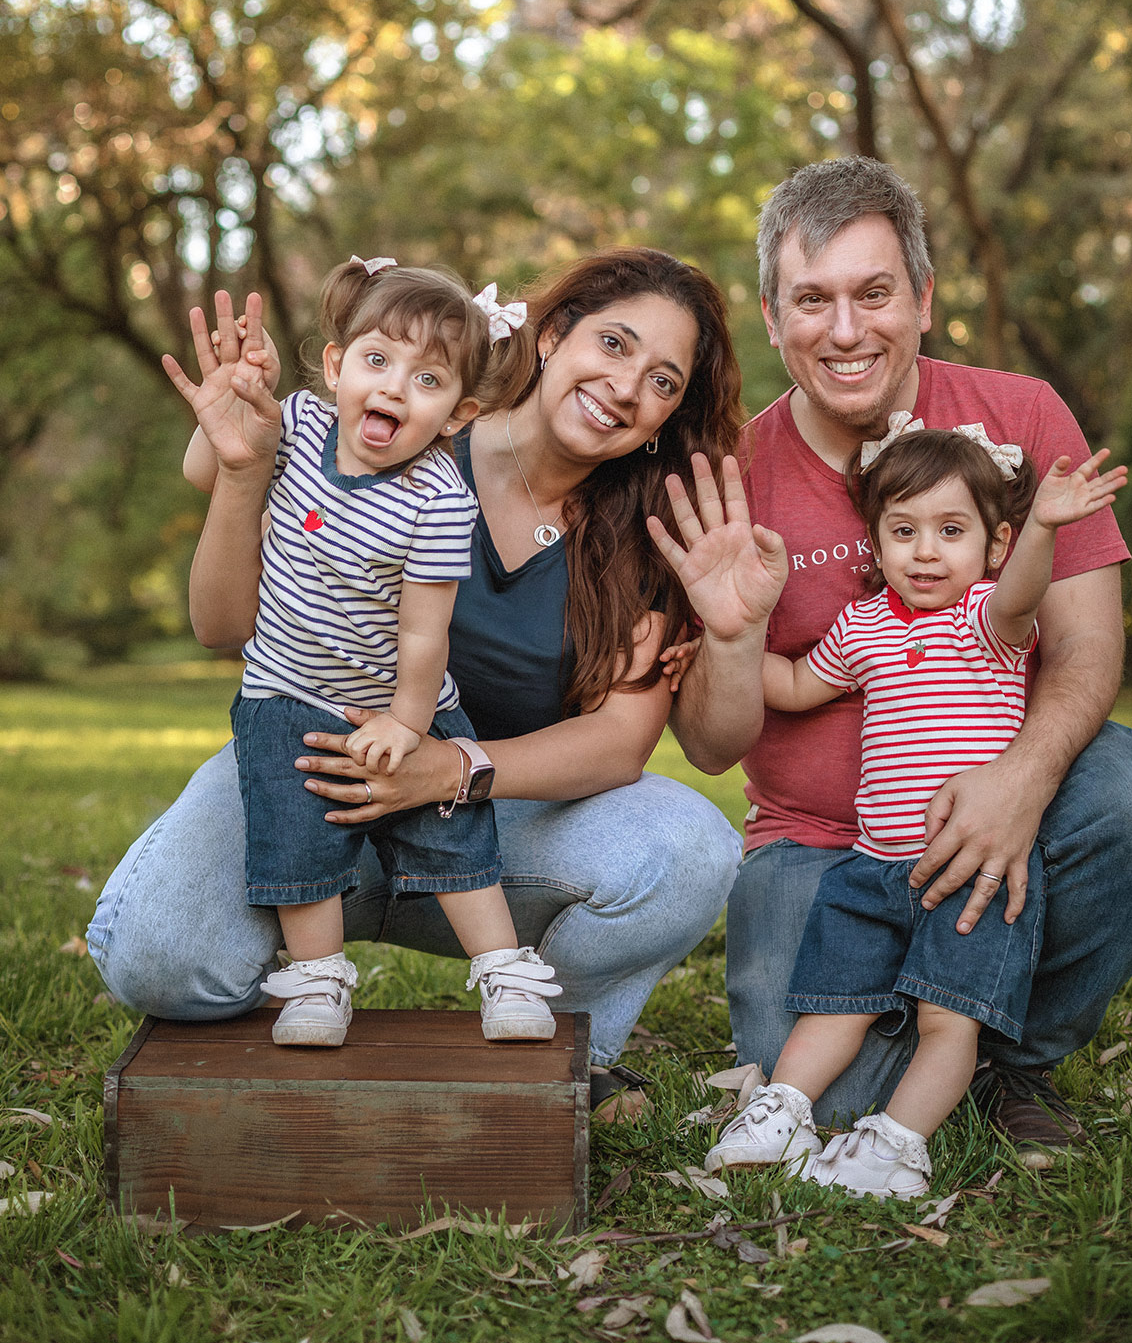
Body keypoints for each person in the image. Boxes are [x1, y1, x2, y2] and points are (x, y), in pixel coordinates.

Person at [88, 249, 745, 1113]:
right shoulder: (385, 434)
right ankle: (309, 972)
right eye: (613, 345)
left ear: (668, 415)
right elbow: (221, 627)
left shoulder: (645, 533)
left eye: (662, 380)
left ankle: (564, 1052)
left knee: (693, 848)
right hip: (311, 769)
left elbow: (622, 743)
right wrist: (245, 473)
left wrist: (452, 768)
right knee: (156, 958)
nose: (627, 386)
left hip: (481, 823)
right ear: (550, 337)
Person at [655, 156, 1132, 1159]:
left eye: (873, 293)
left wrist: (1020, 781)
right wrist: (732, 634)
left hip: (1002, 796)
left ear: (922, 299)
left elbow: (1084, 643)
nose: (846, 329)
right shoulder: (728, 474)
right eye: (811, 301)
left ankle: (1003, 1053)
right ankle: (940, 1018)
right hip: (821, 846)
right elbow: (707, 743)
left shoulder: (1021, 415)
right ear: (773, 320)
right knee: (820, 1094)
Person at [704, 426, 1125, 1196]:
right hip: (869, 867)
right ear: (875, 544)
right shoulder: (863, 626)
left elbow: (1027, 590)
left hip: (970, 869)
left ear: (992, 546)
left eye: (951, 531)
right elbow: (797, 686)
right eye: (904, 532)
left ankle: (898, 1145)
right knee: (832, 1005)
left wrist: (1043, 528)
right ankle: (781, 1110)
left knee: (946, 1020)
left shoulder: (986, 621)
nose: (926, 552)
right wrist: (721, 641)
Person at [165, 256, 563, 1048]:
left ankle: (502, 968)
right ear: (338, 365)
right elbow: (206, 469)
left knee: (450, 837)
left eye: (428, 380)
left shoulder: (439, 499)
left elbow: (425, 632)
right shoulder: (299, 425)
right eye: (378, 362)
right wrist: (231, 422)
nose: (392, 389)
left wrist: (408, 725)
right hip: (285, 692)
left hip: (401, 701)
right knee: (296, 835)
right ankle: (318, 981)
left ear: (458, 414)